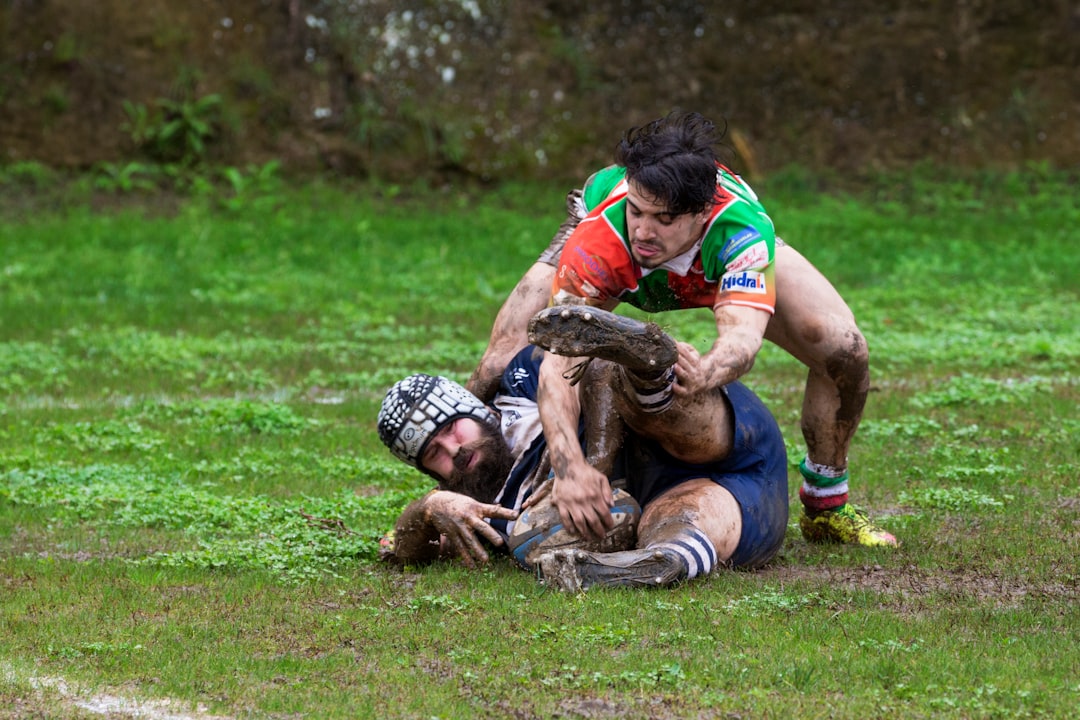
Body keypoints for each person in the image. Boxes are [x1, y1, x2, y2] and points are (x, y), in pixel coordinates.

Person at [467, 110, 896, 548]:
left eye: (664, 219)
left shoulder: (740, 232)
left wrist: (708, 370)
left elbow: (743, 339)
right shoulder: (602, 240)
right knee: (500, 360)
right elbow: (560, 361)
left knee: (844, 348)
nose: (644, 231)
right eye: (637, 211)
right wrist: (570, 467)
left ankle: (827, 506)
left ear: (702, 212)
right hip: (599, 245)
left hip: (708, 264)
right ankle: (462, 500)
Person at [376, 309, 789, 591]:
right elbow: (402, 549)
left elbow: (572, 344)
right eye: (434, 453)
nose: (454, 448)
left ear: (479, 407)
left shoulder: (519, 385)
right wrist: (429, 508)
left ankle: (648, 371)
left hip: (718, 426)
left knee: (610, 375)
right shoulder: (483, 516)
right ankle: (653, 564)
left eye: (451, 427)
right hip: (742, 497)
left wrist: (589, 466)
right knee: (677, 519)